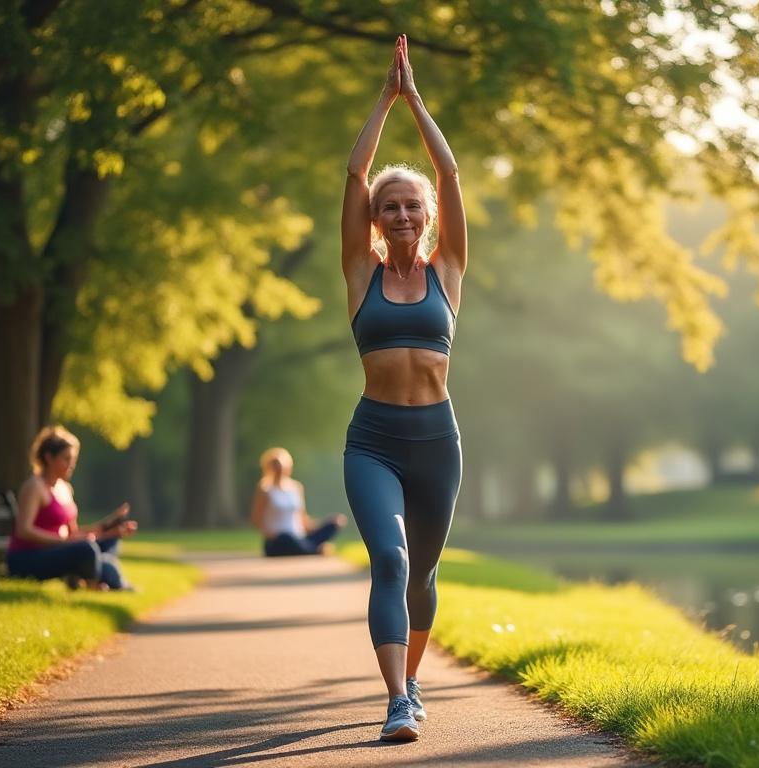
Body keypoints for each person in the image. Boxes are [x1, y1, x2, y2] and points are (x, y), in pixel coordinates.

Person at [341, 34, 466, 742]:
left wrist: (415, 98)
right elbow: (356, 173)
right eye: (389, 207)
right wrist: (382, 101)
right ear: (375, 220)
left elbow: (449, 176)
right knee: (388, 560)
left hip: (437, 442)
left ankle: (412, 681)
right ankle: (395, 699)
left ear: (426, 217)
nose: (401, 214)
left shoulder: (448, 272)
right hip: (375, 442)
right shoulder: (361, 276)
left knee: (421, 575)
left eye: (411, 206)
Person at [7, 426, 138, 591]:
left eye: (73, 459)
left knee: (108, 542)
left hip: (58, 550)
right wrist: (64, 541)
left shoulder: (65, 488)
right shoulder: (34, 487)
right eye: (66, 459)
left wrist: (109, 529)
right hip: (28, 557)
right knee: (88, 551)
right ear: (49, 458)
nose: (72, 465)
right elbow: (24, 531)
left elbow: (73, 532)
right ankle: (95, 583)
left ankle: (91, 576)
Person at [250, 447, 345, 556]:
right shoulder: (265, 489)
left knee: (335, 523)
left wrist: (323, 525)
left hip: (299, 537)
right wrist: (271, 534)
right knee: (287, 538)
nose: (279, 469)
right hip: (277, 540)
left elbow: (302, 519)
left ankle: (311, 547)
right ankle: (315, 549)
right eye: (276, 466)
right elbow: (256, 520)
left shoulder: (296, 488)